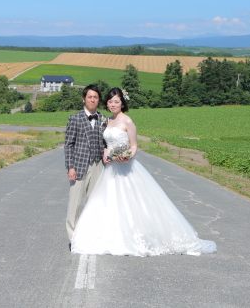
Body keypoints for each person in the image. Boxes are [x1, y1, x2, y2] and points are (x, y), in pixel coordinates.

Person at [71, 87, 217, 256]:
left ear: (122, 103)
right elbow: (106, 143)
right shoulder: (107, 121)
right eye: (110, 101)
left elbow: (134, 146)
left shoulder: (128, 121)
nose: (112, 104)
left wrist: (127, 157)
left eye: (116, 101)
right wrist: (105, 152)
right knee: (108, 202)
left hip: (125, 167)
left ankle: (136, 236)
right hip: (110, 169)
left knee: (132, 203)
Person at [64, 84, 109, 243]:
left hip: (98, 166)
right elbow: (69, 144)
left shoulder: (104, 119)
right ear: (84, 99)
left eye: (95, 97)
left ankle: (90, 237)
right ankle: (73, 239)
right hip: (79, 166)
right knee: (74, 204)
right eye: (89, 97)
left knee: (94, 203)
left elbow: (106, 143)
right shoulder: (74, 118)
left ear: (98, 100)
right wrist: (70, 167)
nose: (92, 100)